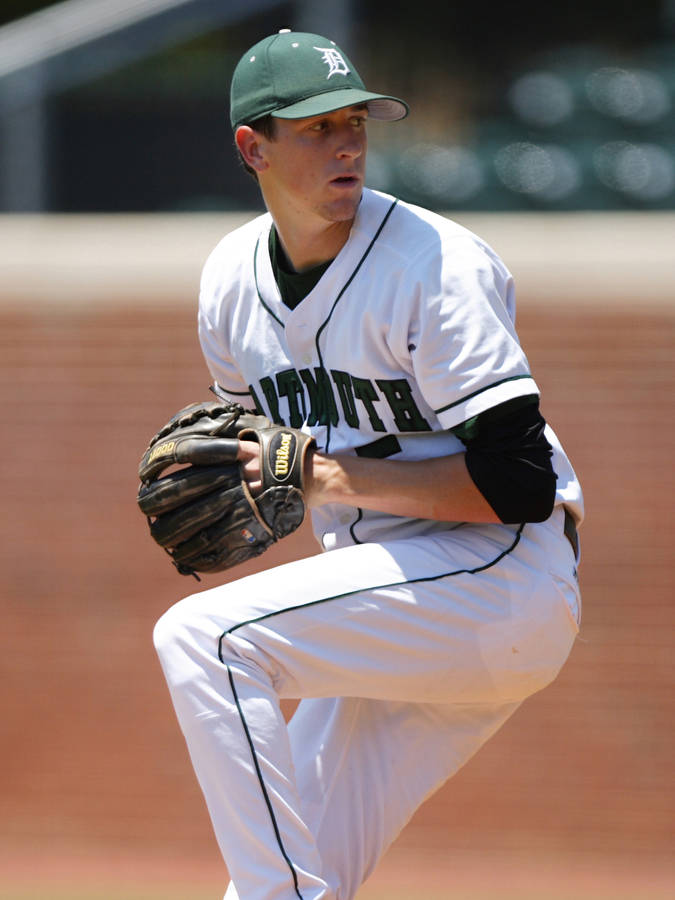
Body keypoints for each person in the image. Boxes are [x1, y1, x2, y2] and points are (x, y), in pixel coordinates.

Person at [152, 28, 583, 900]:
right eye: (315, 126)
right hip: (387, 601)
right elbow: (256, 449)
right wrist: (245, 479)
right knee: (291, 865)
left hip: (497, 579)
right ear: (252, 147)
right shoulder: (230, 282)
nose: (345, 141)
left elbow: (520, 485)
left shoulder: (433, 264)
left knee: (204, 637)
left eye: (354, 120)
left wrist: (321, 478)